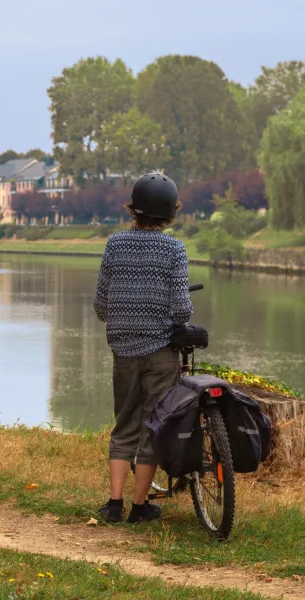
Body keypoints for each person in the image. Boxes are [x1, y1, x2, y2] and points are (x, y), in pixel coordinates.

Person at [93, 173, 192, 523]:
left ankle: (113, 504)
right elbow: (182, 310)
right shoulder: (174, 249)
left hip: (123, 351)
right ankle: (139, 507)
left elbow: (101, 305)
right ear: (170, 212)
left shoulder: (114, 244)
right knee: (153, 426)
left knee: (124, 424)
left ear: (134, 208)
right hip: (160, 353)